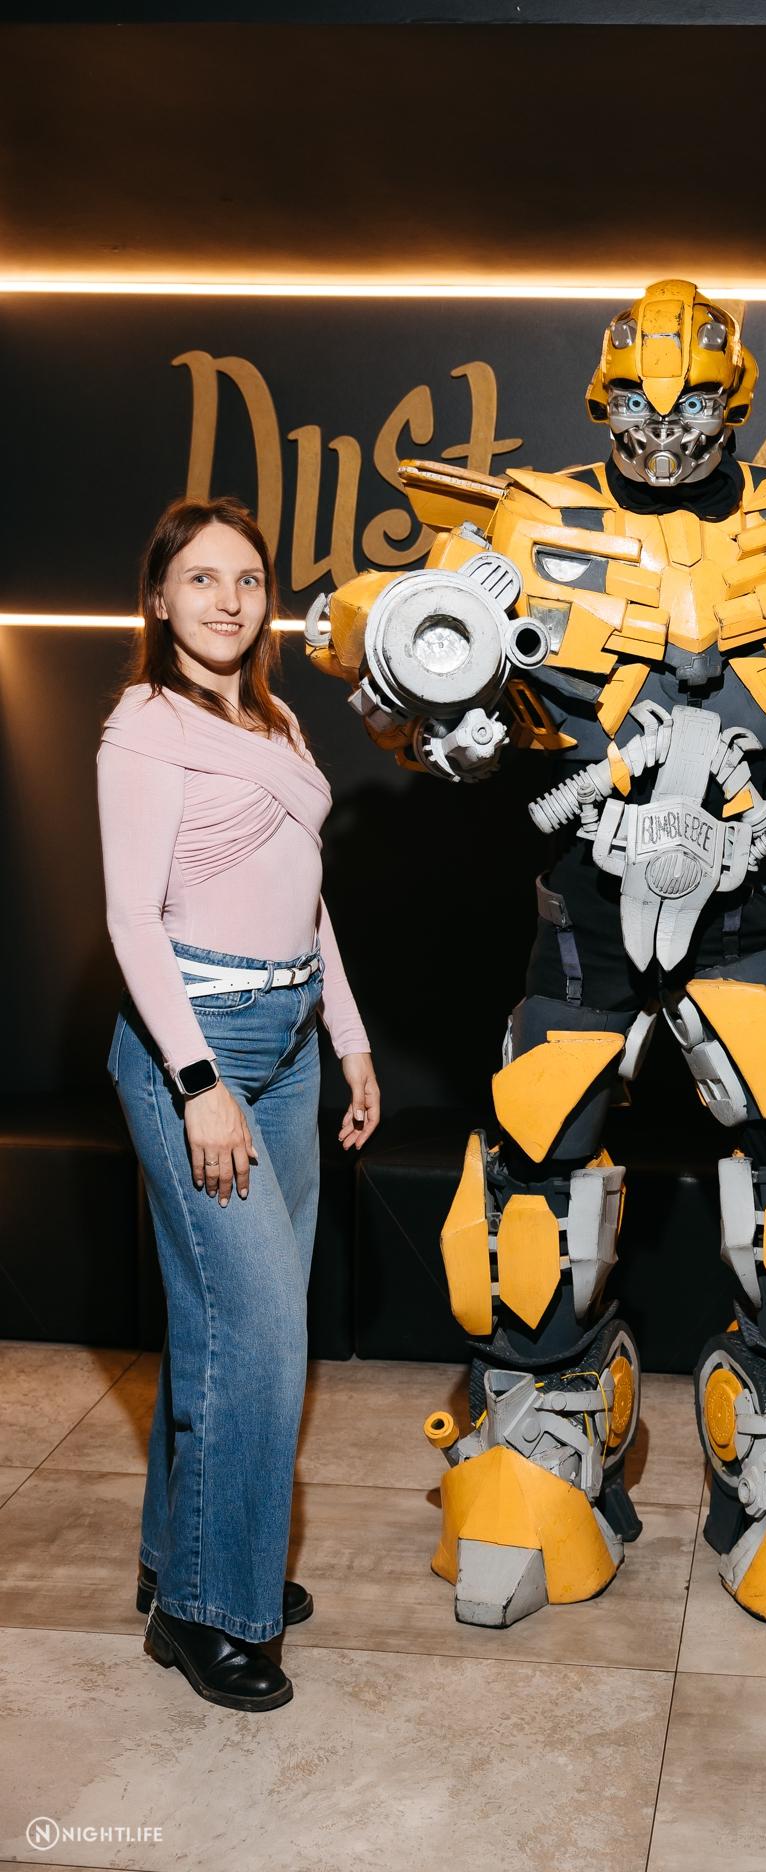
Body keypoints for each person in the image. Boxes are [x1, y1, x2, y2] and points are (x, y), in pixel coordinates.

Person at [98, 497, 380, 1713]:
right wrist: (198, 1082)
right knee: (258, 1336)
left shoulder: (276, 719)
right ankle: (209, 1611)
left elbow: (307, 899)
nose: (228, 599)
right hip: (199, 1046)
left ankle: (187, 1555)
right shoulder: (144, 727)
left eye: (248, 579)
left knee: (223, 1325)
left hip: (291, 1042)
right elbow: (131, 922)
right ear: (160, 598)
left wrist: (348, 1041)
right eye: (202, 578)